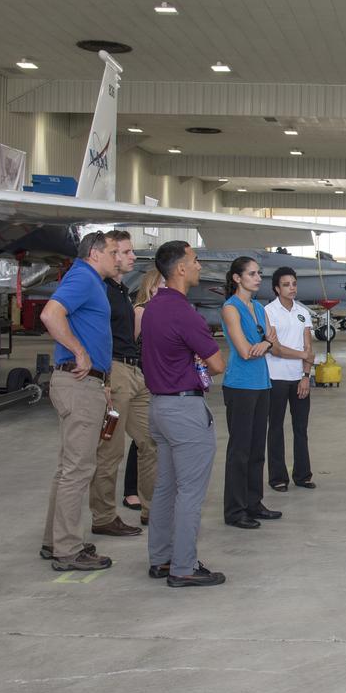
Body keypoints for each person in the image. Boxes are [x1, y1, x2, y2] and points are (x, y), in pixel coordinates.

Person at [141, 241, 227, 588]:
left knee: (165, 488)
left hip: (159, 406)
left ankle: (161, 558)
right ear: (179, 269)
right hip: (185, 410)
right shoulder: (183, 313)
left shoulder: (152, 309)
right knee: (190, 492)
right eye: (194, 261)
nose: (199, 267)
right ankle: (184, 566)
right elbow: (217, 364)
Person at [38, 231, 118, 571]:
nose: (118, 258)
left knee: (68, 469)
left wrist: (103, 380)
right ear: (96, 253)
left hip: (86, 384)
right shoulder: (84, 277)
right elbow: (49, 314)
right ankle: (68, 551)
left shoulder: (91, 281)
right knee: (78, 470)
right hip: (77, 382)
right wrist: (80, 351)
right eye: (114, 252)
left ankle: (54, 541)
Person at [86, 230, 151, 539]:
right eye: (125, 252)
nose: (131, 257)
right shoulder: (98, 288)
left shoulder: (121, 289)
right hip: (114, 372)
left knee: (151, 440)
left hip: (134, 372)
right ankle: (103, 516)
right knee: (110, 450)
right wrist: (104, 378)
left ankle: (153, 507)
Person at [220, 257, 282, 529]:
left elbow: (272, 343)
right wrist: (265, 342)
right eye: (252, 274)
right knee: (240, 450)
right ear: (237, 278)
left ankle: (253, 502)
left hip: (262, 383)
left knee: (257, 449)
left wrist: (265, 344)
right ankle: (235, 510)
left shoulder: (259, 307)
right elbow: (245, 351)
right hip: (240, 385)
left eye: (259, 273)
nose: (258, 278)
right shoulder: (230, 308)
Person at [265, 266, 317, 491]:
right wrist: (302, 355)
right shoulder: (268, 311)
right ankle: (278, 477)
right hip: (275, 378)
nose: (292, 288)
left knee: (300, 428)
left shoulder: (302, 312)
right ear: (277, 288)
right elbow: (274, 348)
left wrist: (306, 375)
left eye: (294, 284)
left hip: (298, 379)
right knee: (275, 428)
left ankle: (303, 475)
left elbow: (309, 346)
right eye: (286, 284)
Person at [122, 268, 164, 514]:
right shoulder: (140, 312)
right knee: (141, 439)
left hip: (158, 380)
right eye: (160, 285)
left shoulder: (162, 313)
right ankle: (131, 490)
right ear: (149, 286)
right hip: (141, 378)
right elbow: (133, 346)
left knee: (152, 438)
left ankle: (150, 488)